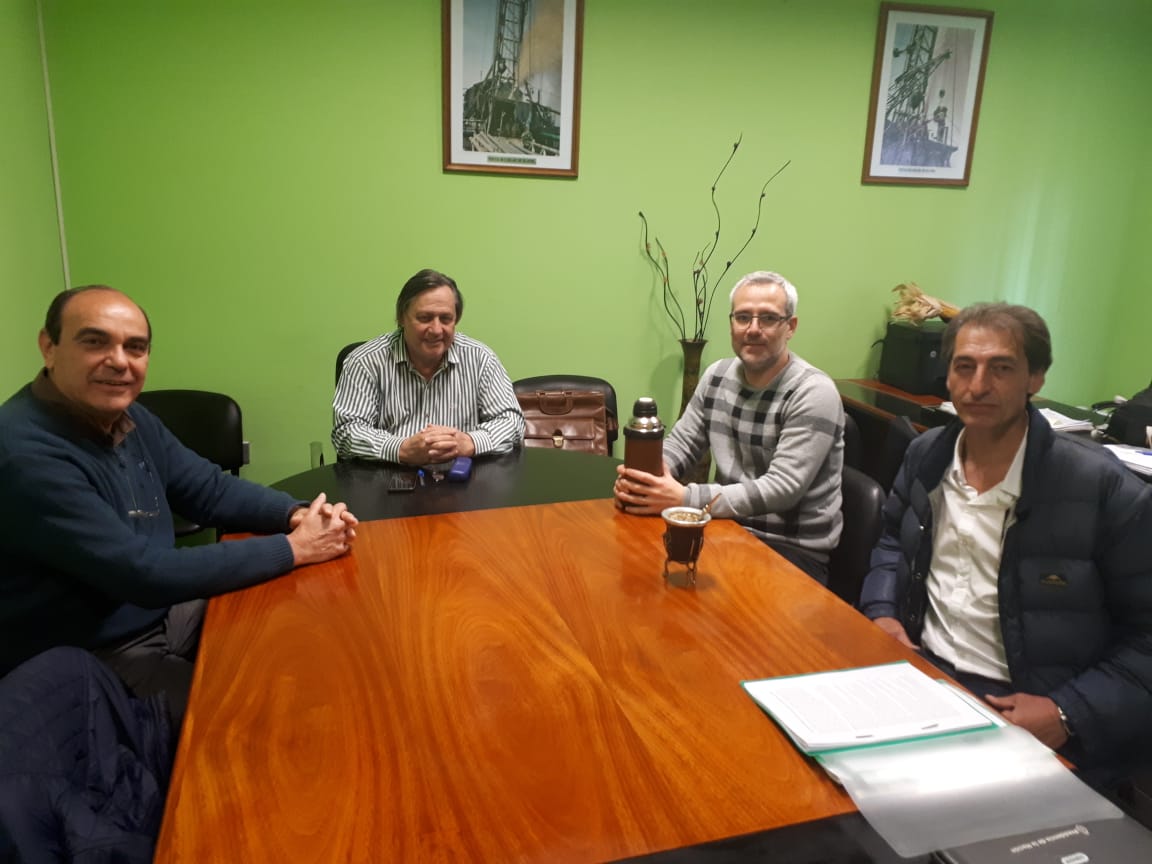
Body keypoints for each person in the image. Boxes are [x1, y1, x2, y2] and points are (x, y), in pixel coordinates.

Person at [0, 285, 359, 721]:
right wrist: (294, 548)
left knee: (300, 632)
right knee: (256, 717)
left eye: (135, 347)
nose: (119, 361)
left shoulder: (127, 416)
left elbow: (208, 489)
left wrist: (294, 513)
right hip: (89, 654)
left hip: (154, 613)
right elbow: (143, 572)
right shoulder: (24, 453)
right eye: (95, 341)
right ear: (49, 347)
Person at [860, 302, 1152, 789]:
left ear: (1035, 377)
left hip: (1030, 712)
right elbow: (892, 540)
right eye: (964, 367)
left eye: (1001, 368)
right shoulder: (925, 455)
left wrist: (1068, 713)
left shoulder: (1103, 489)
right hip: (924, 680)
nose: (977, 386)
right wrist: (882, 612)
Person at [613, 271, 844, 583]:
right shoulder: (717, 376)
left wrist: (684, 497)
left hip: (790, 550)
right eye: (743, 317)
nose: (753, 329)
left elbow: (783, 489)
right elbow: (682, 443)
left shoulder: (814, 392)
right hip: (727, 528)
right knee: (635, 575)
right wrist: (648, 480)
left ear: (790, 327)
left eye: (768, 318)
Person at [332, 268, 525, 464]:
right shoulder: (365, 361)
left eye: (445, 319)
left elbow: (512, 421)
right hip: (388, 476)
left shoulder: (481, 358)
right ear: (401, 317)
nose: (436, 330)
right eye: (424, 318)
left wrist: (470, 442)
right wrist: (400, 449)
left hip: (462, 476)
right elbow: (346, 432)